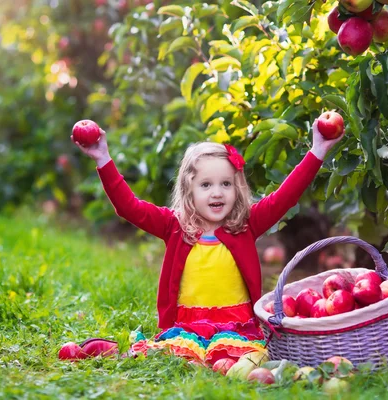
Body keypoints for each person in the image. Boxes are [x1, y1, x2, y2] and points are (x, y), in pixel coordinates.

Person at [69, 119, 343, 365]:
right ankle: (106, 349)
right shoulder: (174, 226)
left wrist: (317, 150)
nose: (217, 193)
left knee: (244, 360)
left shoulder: (247, 224)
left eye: (226, 184)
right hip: (187, 327)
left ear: (237, 188)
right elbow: (129, 207)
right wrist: (103, 158)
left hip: (237, 327)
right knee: (178, 357)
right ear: (189, 189)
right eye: (206, 185)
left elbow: (285, 196)